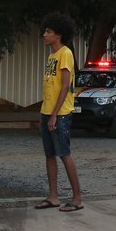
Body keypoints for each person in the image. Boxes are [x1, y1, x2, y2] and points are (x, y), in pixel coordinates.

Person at [34, 13, 83, 213]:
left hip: (60, 113)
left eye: (48, 31)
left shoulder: (65, 53)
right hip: (47, 111)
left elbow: (64, 86)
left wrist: (54, 114)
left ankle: (77, 198)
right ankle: (53, 196)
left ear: (59, 34)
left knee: (64, 154)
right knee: (50, 155)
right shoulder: (51, 56)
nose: (44, 35)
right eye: (45, 31)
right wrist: (46, 112)